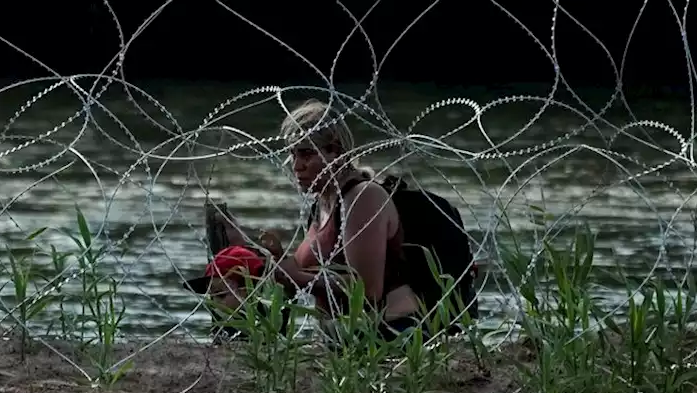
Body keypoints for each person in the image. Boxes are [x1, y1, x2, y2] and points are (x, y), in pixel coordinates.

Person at [187, 99, 479, 343]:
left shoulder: (363, 197)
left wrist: (289, 275)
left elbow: (365, 290)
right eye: (292, 154)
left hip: (392, 335)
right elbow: (308, 273)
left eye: (305, 154)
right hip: (343, 338)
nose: (295, 165)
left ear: (335, 151)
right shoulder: (324, 203)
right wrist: (259, 255)